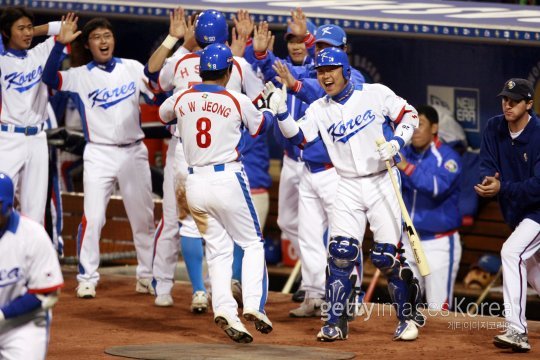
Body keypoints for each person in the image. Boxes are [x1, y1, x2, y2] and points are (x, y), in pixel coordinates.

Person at [270, 47, 423, 341]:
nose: (325, 76)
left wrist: (397, 142)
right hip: (348, 184)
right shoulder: (318, 108)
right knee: (340, 254)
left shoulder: (374, 93)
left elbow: (409, 114)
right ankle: (335, 323)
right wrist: (281, 113)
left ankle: (406, 318)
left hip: (382, 182)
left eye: (331, 70)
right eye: (321, 71)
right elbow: (298, 137)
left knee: (385, 257)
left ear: (346, 70)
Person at [145, 8, 266, 310]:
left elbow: (155, 82)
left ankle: (180, 287)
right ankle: (222, 291)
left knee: (181, 221)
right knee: (230, 228)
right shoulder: (236, 65)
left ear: (195, 35)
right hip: (223, 154)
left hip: (183, 150)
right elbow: (259, 101)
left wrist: (179, 41)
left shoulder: (183, 60)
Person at [159, 43, 273, 344]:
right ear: (227, 72)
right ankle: (252, 304)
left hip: (194, 182)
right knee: (252, 243)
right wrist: (271, 108)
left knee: (218, 250)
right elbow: (262, 127)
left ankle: (224, 310)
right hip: (227, 179)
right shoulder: (236, 99)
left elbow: (163, 114)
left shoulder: (182, 95)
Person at [42, 17, 157, 298]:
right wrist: (59, 46)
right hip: (99, 153)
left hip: (133, 151)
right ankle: (87, 278)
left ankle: (147, 276)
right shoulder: (81, 74)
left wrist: (155, 82)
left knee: (143, 219)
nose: (103, 41)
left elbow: (154, 97)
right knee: (93, 218)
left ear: (113, 40)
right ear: (88, 44)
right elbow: (49, 79)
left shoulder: (131, 67)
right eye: (96, 37)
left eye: (107, 35)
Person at [475, 78, 540, 353]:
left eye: (514, 100)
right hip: (517, 213)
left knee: (512, 252)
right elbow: (487, 164)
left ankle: (517, 330)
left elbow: (538, 186)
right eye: (505, 98)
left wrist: (504, 188)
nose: (508, 104)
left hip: (538, 209)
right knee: (535, 273)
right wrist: (488, 182)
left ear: (529, 104)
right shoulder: (494, 127)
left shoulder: (538, 133)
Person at [0, 7, 73, 224]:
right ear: (5, 32)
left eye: (29, 28)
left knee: (35, 211)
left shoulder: (40, 52)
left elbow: (66, 28)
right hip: (7, 138)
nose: (27, 33)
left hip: (38, 139)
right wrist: (15, 29)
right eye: (20, 29)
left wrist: (29, 30)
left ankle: (29, 257)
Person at [397, 105, 463, 310]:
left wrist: (406, 168)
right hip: (409, 240)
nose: (415, 130)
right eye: (412, 125)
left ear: (434, 128)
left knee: (438, 310)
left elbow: (437, 187)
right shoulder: (403, 152)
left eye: (421, 125)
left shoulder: (448, 157)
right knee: (406, 306)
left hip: (438, 243)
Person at [0, 172, 64, 359]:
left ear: (8, 206)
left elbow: (47, 294)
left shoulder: (32, 235)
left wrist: (3, 314)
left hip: (22, 325)